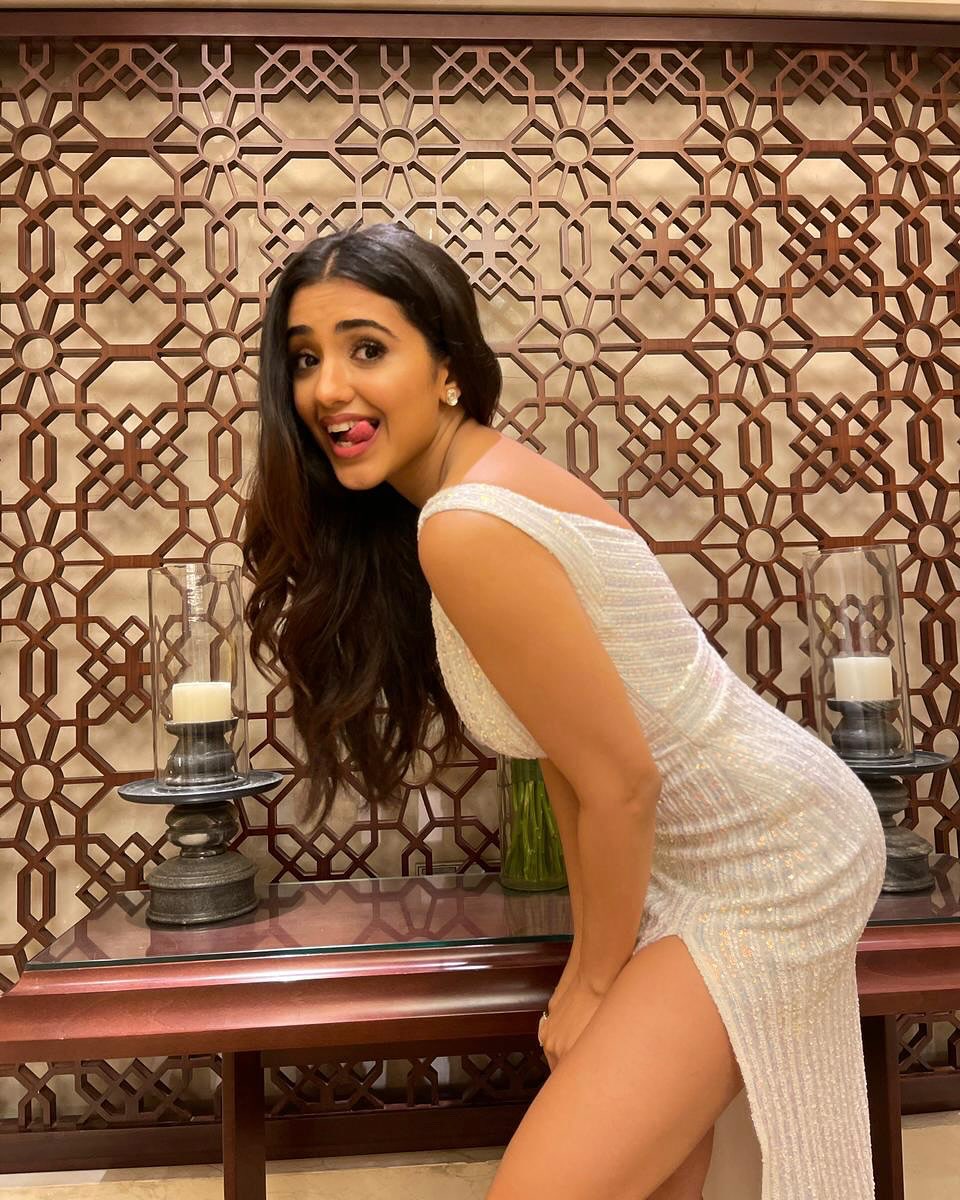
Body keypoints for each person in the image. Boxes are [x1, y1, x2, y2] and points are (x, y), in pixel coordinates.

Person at [243, 222, 887, 1200]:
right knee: (651, 1176)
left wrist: (591, 983)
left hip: (772, 854)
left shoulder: (468, 524)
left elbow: (620, 782)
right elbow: (571, 764)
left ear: (447, 367)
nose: (329, 388)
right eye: (305, 358)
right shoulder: (468, 496)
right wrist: (601, 962)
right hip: (700, 857)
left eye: (367, 348)